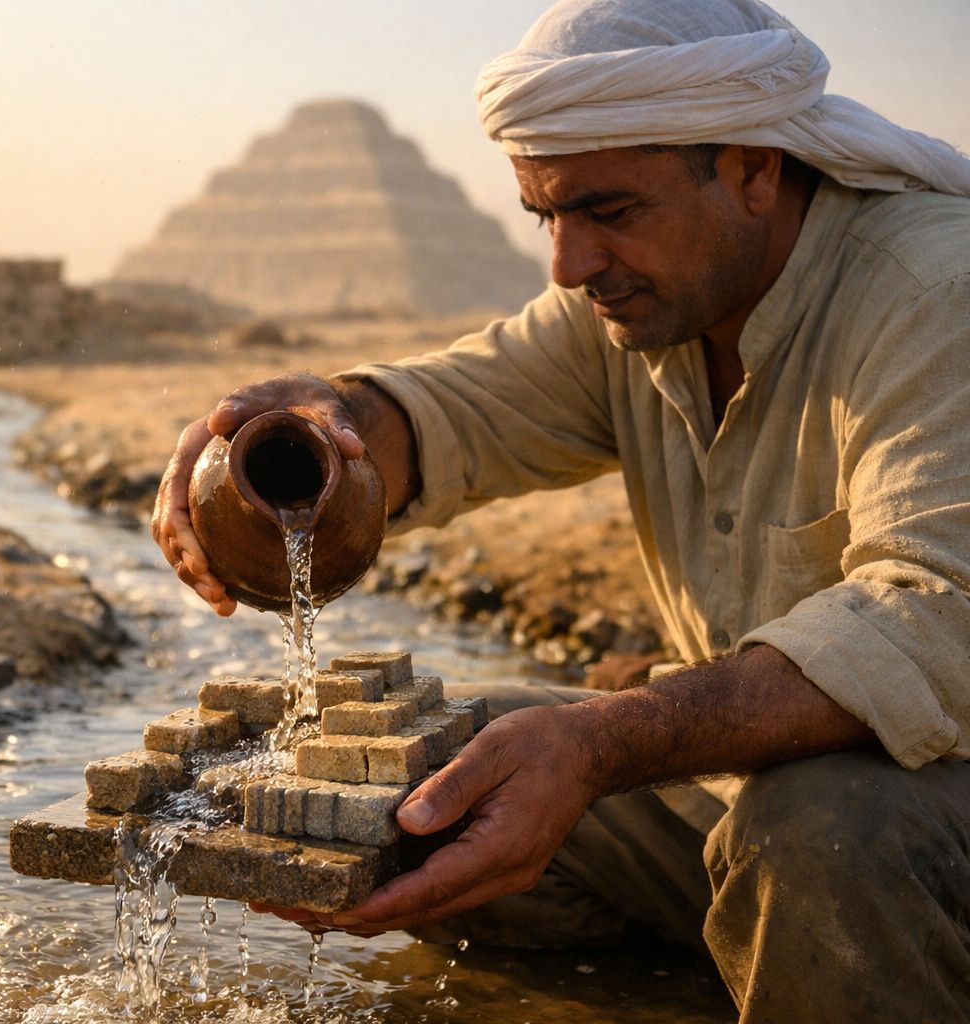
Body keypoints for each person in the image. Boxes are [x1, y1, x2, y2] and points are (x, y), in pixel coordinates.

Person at [150, 1, 970, 1020]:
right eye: (547, 217)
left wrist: (599, 741)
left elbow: (936, 617)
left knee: (823, 829)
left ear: (755, 167)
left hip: (926, 794)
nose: (569, 264)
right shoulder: (643, 308)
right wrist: (317, 432)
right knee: (426, 781)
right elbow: (443, 414)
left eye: (611, 212)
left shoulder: (934, 287)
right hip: (747, 791)